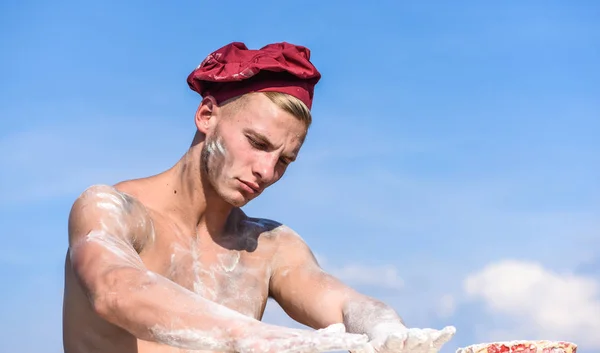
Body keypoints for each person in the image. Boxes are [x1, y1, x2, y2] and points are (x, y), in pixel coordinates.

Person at [62, 42, 456, 353]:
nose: (266, 171)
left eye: (284, 159)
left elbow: (342, 304)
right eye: (256, 142)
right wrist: (248, 335)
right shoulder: (115, 210)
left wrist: (384, 327)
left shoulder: (269, 247)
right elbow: (114, 289)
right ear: (206, 115)